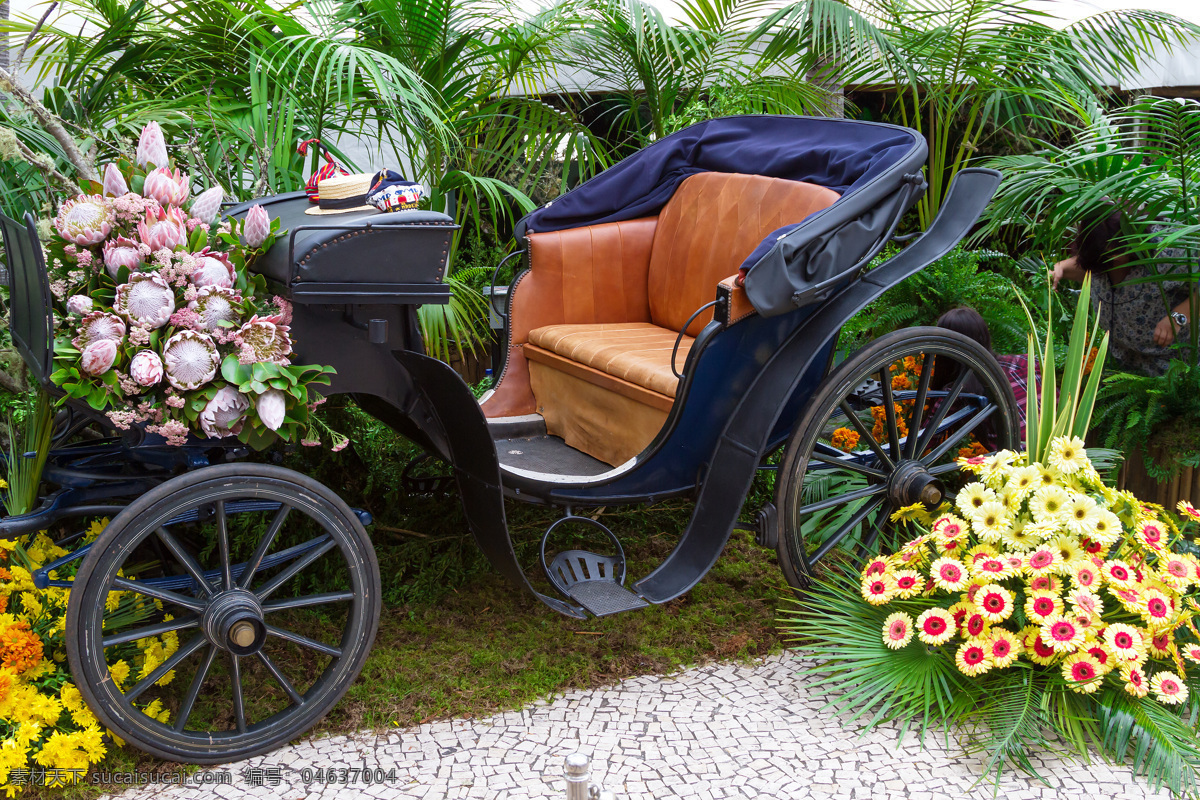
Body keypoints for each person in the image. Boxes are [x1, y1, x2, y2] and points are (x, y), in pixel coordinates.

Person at [1052, 209, 1197, 376]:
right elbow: (1087, 268)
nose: (1115, 258)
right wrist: (1061, 269)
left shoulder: (1169, 251)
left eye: (1117, 253)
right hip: (1124, 373)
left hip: (1177, 372)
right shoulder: (1099, 256)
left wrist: (1179, 316)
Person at [935, 307, 1038, 441]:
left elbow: (925, 438)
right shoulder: (1027, 362)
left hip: (1014, 460)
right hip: (1062, 452)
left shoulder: (958, 391)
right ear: (984, 335)